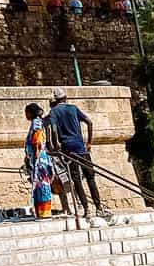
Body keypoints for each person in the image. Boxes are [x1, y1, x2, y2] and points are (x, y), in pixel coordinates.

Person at [46, 89, 112, 221]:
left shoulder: (54, 112)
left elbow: (53, 129)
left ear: (54, 101)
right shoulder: (73, 108)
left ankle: (86, 209)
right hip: (81, 147)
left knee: (76, 180)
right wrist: (89, 142)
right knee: (90, 177)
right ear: (65, 97)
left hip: (68, 150)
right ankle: (98, 207)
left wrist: (55, 145)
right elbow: (89, 122)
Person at [23, 102, 56, 219]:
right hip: (38, 159)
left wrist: (35, 156)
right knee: (39, 186)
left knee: (42, 186)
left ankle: (44, 212)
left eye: (26, 112)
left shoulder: (36, 122)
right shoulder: (38, 122)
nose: (25, 115)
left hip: (39, 160)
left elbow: (37, 139)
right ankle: (41, 212)